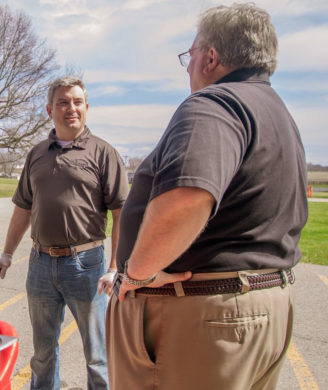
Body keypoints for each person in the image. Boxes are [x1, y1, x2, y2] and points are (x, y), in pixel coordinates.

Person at [107, 4, 308, 389]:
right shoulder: (277, 113)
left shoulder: (215, 104)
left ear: (211, 57)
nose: (187, 66)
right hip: (262, 305)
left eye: (191, 54)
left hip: (202, 318)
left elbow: (186, 197)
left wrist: (137, 273)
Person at [0, 76, 129, 390]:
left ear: (87, 107)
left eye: (77, 102)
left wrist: (115, 268)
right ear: (50, 109)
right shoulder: (37, 153)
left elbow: (122, 213)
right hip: (40, 264)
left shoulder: (103, 153)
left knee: (97, 356)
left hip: (87, 265)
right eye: (63, 102)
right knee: (42, 352)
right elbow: (23, 207)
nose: (71, 108)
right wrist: (7, 253)